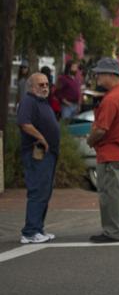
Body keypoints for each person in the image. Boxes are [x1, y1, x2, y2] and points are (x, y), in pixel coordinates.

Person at [86, 57, 119, 243]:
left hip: (110, 153)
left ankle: (113, 231)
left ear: (109, 75)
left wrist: (90, 141)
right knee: (114, 193)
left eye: (99, 73)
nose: (97, 77)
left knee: (108, 195)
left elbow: (100, 129)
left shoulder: (112, 98)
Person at [17, 73, 60, 244]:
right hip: (37, 153)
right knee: (38, 191)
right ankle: (30, 231)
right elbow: (24, 123)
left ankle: (38, 229)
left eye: (46, 84)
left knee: (44, 192)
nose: (44, 87)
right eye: (40, 84)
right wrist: (41, 138)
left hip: (48, 154)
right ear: (31, 87)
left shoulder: (42, 102)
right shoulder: (29, 101)